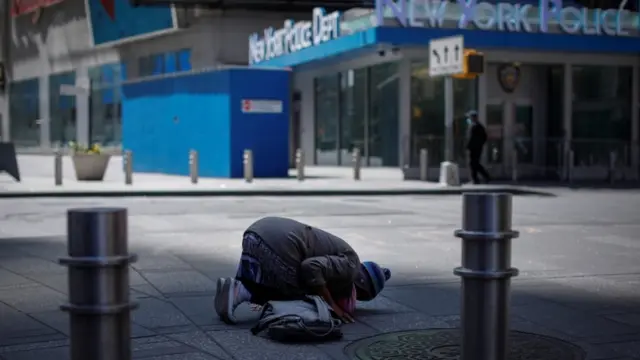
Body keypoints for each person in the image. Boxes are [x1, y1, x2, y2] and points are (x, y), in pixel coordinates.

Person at [214, 216, 391, 325]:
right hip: (276, 245)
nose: (355, 298)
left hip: (255, 235)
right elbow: (311, 268)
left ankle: (237, 289)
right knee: (305, 299)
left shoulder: (346, 258)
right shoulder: (351, 265)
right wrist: (332, 305)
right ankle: (242, 291)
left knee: (302, 284)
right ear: (360, 284)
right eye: (359, 296)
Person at [465, 110, 491, 184]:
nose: (470, 118)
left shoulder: (478, 126)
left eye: (471, 117)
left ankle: (480, 178)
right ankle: (476, 179)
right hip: (473, 148)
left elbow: (483, 137)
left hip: (476, 148)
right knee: (474, 163)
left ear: (474, 117)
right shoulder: (473, 126)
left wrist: (478, 145)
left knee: (474, 163)